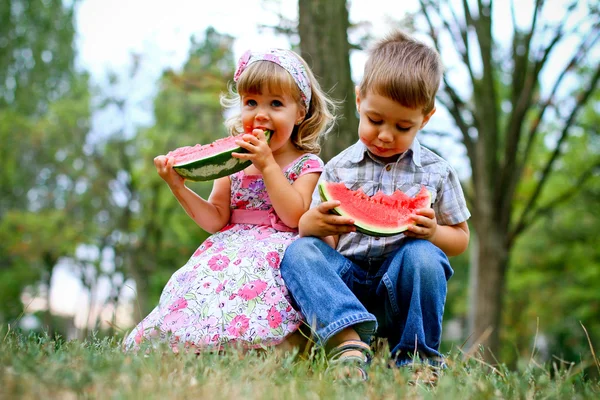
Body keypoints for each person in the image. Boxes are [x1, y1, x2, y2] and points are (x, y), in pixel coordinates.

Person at [279, 30, 471, 380]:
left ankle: (418, 359)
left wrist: (434, 232)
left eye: (402, 126)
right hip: (346, 287)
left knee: (425, 256)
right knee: (299, 252)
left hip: (399, 290)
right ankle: (347, 343)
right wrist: (312, 225)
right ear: (358, 101)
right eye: (375, 120)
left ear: (425, 119)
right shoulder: (337, 169)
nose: (385, 135)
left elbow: (460, 239)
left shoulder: (438, 172)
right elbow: (327, 246)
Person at [124, 48, 336, 353]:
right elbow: (215, 219)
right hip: (225, 253)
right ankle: (201, 350)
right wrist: (178, 186)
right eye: (251, 102)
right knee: (198, 293)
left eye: (276, 103)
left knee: (264, 302)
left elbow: (294, 217)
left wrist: (267, 166)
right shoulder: (231, 162)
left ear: (300, 112)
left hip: (279, 254)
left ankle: (265, 350)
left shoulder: (307, 164)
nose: (261, 113)